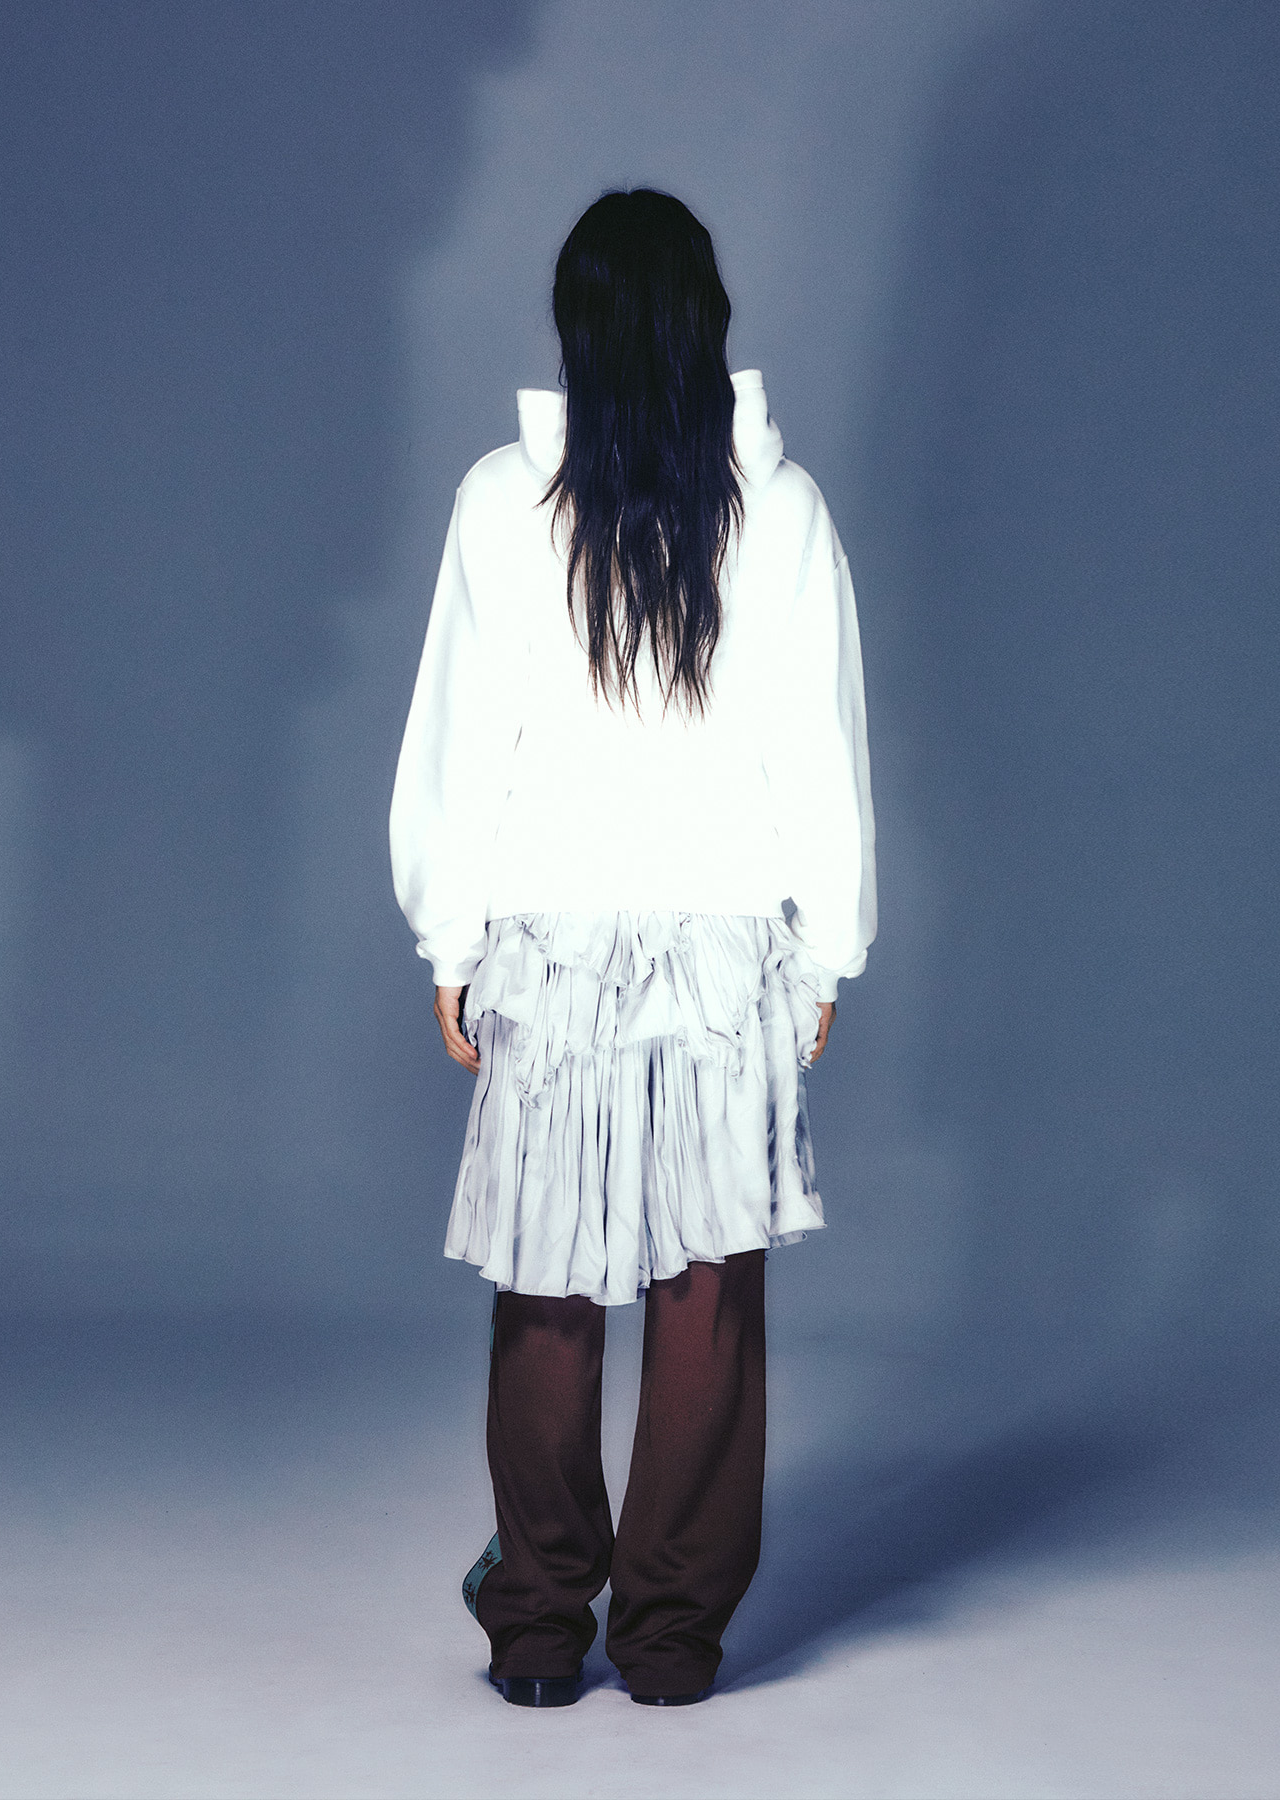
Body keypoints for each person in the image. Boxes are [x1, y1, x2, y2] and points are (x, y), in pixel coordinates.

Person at [388, 188, 876, 1708]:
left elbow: (463, 739)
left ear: (577, 330)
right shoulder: (781, 512)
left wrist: (452, 937)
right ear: (707, 324)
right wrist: (825, 949)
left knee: (547, 1287)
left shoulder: (501, 502)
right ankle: (670, 1638)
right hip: (726, 945)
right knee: (706, 1292)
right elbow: (820, 751)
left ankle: (540, 1626)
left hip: (556, 934)